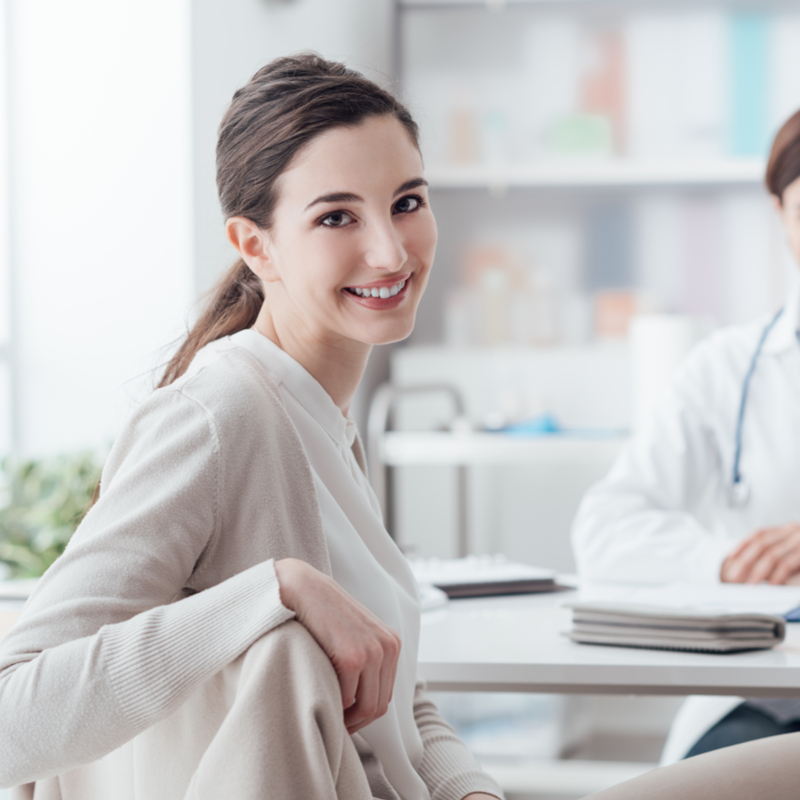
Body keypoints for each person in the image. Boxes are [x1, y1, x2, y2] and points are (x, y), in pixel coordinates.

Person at [0, 54, 503, 800]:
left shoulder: (320, 419)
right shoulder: (217, 418)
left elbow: (396, 701)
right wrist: (273, 588)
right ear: (253, 245)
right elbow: (15, 716)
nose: (392, 251)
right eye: (337, 216)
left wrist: (474, 792)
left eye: (406, 201)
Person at [571, 109, 800, 765]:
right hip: (760, 701)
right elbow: (605, 531)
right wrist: (725, 561)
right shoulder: (726, 368)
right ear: (778, 213)